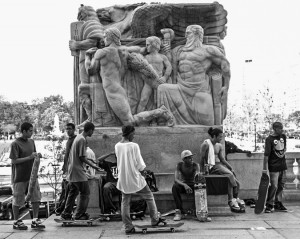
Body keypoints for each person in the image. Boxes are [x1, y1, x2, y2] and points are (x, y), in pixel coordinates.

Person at [85, 27, 174, 127]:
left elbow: (90, 70)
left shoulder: (101, 52)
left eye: (105, 37)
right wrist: (162, 46)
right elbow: (142, 50)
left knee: (130, 123)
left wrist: (87, 56)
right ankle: (160, 111)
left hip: (112, 92)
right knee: (129, 121)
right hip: (119, 90)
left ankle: (160, 112)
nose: (103, 39)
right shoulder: (125, 51)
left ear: (111, 37)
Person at [157, 25, 230, 125]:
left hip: (199, 89)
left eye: (188, 33)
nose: (186, 35)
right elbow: (168, 61)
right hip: (181, 87)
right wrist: (166, 48)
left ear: (197, 34)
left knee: (208, 124)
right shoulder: (179, 50)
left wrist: (226, 87)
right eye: (186, 33)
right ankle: (165, 120)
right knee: (162, 88)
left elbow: (225, 64)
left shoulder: (208, 50)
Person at [115, 125, 164, 234]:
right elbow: (139, 163)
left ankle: (128, 226)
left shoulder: (117, 146)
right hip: (134, 176)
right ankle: (155, 219)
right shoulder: (134, 146)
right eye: (134, 133)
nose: (134, 135)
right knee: (149, 196)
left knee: (125, 202)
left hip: (123, 178)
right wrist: (144, 174)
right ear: (130, 133)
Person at [61, 122, 101, 220]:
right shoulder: (82, 139)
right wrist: (94, 167)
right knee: (85, 193)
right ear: (90, 130)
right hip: (78, 171)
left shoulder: (78, 137)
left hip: (73, 169)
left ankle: (66, 213)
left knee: (73, 192)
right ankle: (79, 214)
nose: (93, 133)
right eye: (93, 131)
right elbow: (82, 157)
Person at [9, 122, 45, 230]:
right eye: (30, 131)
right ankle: (16, 221)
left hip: (32, 176)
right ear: (23, 131)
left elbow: (33, 154)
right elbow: (14, 161)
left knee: (36, 198)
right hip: (19, 176)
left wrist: (37, 156)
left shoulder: (31, 141)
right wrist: (29, 157)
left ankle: (35, 219)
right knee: (17, 199)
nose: (32, 133)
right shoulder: (15, 144)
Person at [200, 127, 244, 212]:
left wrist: (230, 167)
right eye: (220, 137)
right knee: (230, 175)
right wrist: (202, 171)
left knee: (232, 177)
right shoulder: (205, 144)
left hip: (218, 165)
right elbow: (201, 159)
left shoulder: (219, 146)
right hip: (211, 166)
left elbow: (222, 159)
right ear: (214, 136)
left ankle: (232, 199)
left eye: (222, 136)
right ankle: (234, 195)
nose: (221, 138)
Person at [137, 36, 172, 113]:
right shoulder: (145, 57)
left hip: (159, 82)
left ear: (154, 45)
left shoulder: (162, 57)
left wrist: (165, 77)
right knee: (143, 100)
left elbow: (169, 67)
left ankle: (158, 119)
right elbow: (140, 68)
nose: (146, 47)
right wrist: (145, 74)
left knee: (159, 101)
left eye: (148, 44)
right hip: (148, 82)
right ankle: (137, 117)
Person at [263, 122, 288, 213]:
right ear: (275, 129)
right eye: (280, 128)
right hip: (273, 166)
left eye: (282, 128)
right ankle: (269, 204)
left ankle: (278, 202)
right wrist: (264, 169)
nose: (282, 130)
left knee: (281, 185)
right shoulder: (269, 139)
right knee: (274, 185)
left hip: (282, 165)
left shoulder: (283, 137)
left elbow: (283, 149)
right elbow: (266, 156)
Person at [172, 150, 200, 221]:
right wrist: (185, 185)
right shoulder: (180, 165)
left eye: (191, 157)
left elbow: (198, 178)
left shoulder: (195, 165)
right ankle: (179, 212)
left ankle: (198, 211)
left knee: (200, 188)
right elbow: (176, 179)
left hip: (193, 184)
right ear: (184, 159)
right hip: (184, 184)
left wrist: (194, 184)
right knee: (175, 187)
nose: (191, 159)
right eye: (189, 158)